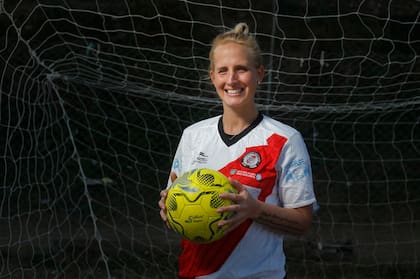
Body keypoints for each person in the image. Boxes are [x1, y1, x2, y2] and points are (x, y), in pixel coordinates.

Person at [158, 22, 316, 279]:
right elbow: (175, 213)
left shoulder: (285, 140)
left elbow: (302, 223)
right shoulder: (193, 136)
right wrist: (170, 208)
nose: (231, 80)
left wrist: (255, 210)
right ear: (212, 77)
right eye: (223, 71)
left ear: (259, 74)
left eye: (241, 69)